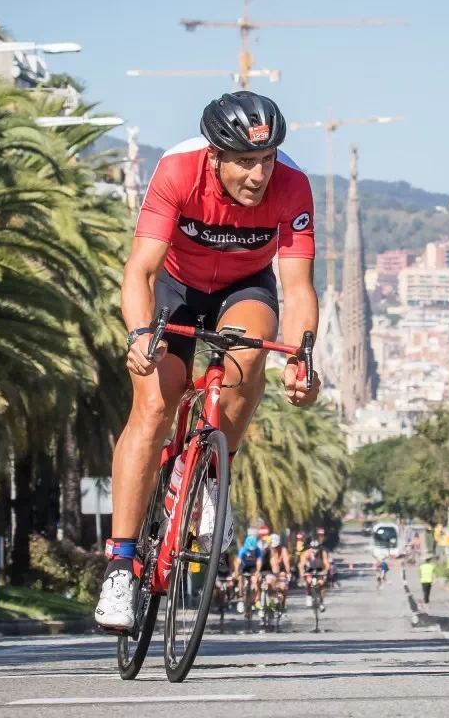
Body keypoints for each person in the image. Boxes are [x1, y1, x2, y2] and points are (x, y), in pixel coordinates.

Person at [95, 93, 321, 631]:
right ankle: (121, 566)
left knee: (248, 355)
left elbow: (297, 286)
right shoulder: (177, 171)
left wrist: (303, 358)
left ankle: (216, 469)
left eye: (266, 160)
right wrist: (137, 333)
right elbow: (141, 271)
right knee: (154, 406)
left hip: (244, 287)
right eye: (244, 161)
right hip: (174, 288)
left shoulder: (293, 186)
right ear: (215, 155)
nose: (258, 174)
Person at [261, 532, 291, 610]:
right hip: (270, 572)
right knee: (270, 584)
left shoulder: (283, 550)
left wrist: (288, 572)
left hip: (281, 571)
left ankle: (283, 605)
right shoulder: (267, 551)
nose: (274, 548)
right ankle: (271, 600)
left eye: (276, 547)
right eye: (272, 546)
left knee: (283, 587)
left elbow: (286, 562)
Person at [233, 535, 263, 612]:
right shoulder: (242, 550)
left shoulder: (258, 550)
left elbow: (259, 561)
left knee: (255, 581)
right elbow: (238, 562)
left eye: (252, 550)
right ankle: (240, 599)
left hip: (253, 567)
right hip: (244, 567)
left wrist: (258, 571)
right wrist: (236, 572)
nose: (251, 551)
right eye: (249, 550)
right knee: (240, 580)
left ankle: (256, 600)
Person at [299, 540, 331, 611]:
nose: (315, 550)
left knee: (321, 583)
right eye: (313, 548)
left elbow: (327, 564)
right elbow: (301, 564)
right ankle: (309, 595)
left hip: (320, 570)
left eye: (317, 548)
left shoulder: (323, 553)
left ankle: (322, 603)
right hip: (309, 570)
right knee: (309, 581)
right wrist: (302, 573)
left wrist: (325, 571)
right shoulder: (307, 553)